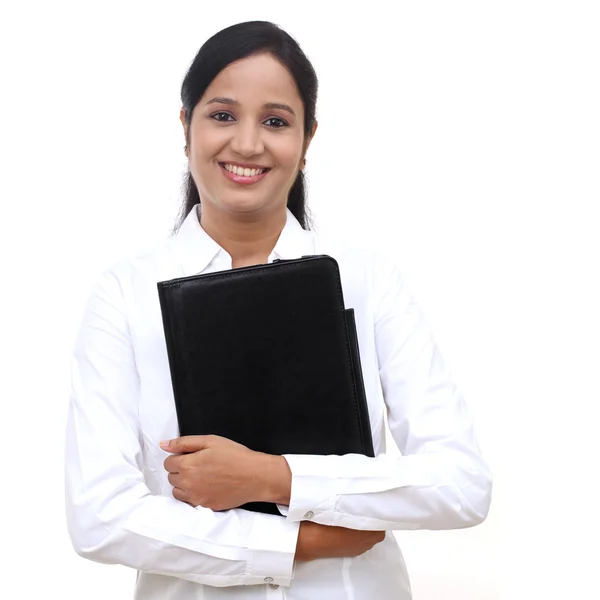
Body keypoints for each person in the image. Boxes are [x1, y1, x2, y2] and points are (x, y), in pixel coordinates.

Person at [65, 20, 492, 600]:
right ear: (185, 125)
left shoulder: (369, 282)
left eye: (275, 121)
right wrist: (301, 543)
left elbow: (461, 484)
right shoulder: (126, 294)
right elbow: (100, 515)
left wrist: (274, 477)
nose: (247, 143)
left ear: (308, 139)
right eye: (221, 115)